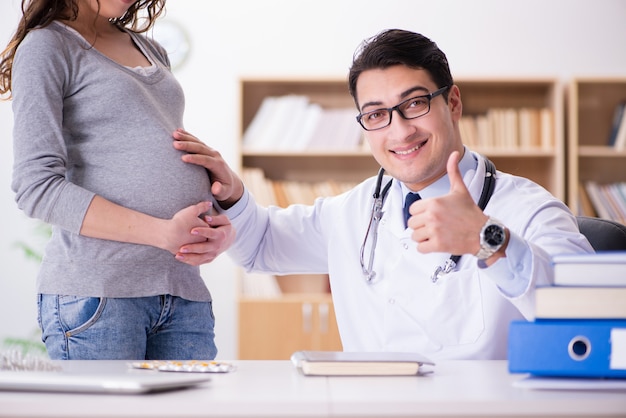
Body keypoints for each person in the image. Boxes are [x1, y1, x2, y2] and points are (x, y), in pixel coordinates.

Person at [173, 29, 593, 360]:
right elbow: (262, 244)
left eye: (415, 104)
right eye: (376, 114)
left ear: (454, 103)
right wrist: (231, 192)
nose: (400, 131)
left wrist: (487, 239)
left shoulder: (528, 208)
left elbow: (589, 316)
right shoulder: (354, 211)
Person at [0, 0, 234, 360]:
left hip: (182, 292)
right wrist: (161, 232)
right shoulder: (48, 45)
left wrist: (218, 223)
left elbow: (146, 153)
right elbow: (36, 187)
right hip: (99, 297)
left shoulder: (150, 48)